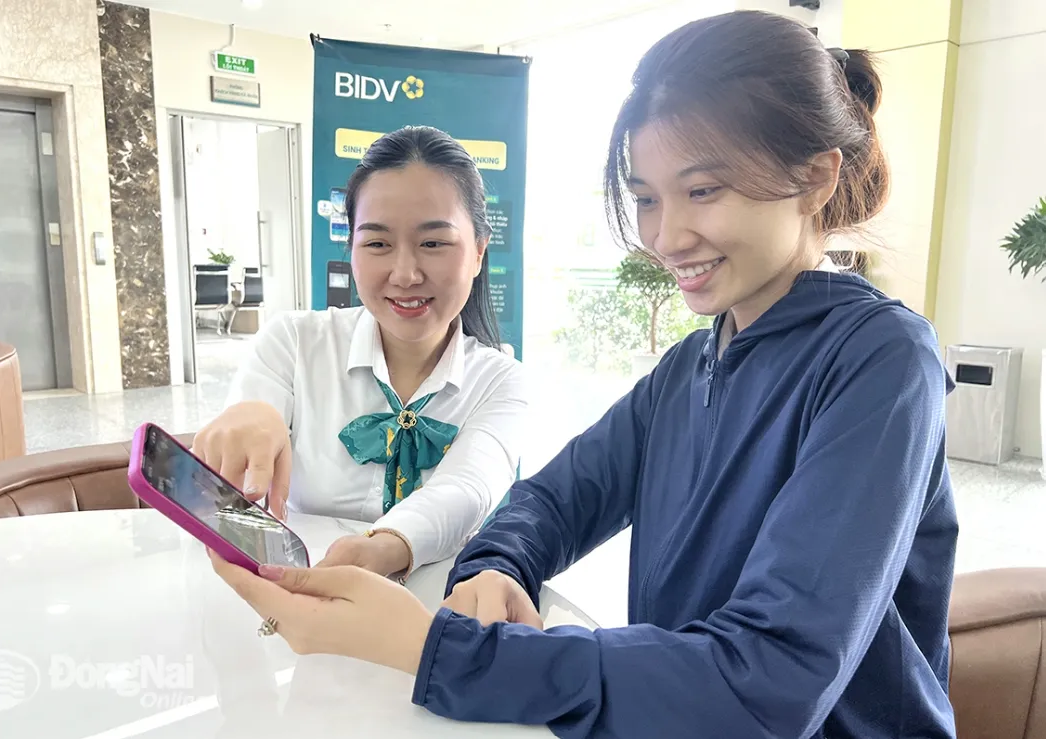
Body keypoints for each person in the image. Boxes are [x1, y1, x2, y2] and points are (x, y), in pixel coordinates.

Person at [208, 10, 959, 738]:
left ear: (816, 178)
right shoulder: (690, 367)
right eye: (645, 199)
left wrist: (434, 648)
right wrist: (499, 564)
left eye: (703, 190)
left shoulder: (881, 360)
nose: (666, 236)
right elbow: (552, 500)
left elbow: (768, 682)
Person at [194, 125, 529, 582]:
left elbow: (468, 487)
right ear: (351, 248)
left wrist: (388, 546)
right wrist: (248, 417)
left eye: (433, 243)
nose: (405, 274)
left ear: (478, 253)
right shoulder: (294, 343)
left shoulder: (500, 380)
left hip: (431, 611)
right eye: (377, 244)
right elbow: (252, 418)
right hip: (292, 591)